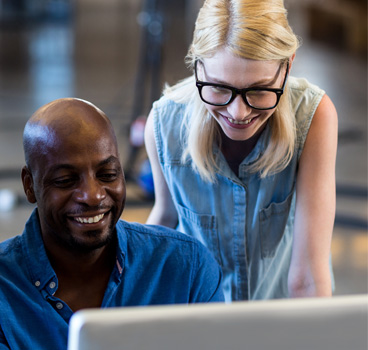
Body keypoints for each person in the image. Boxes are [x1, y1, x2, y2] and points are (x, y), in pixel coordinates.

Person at [0, 98, 224, 350]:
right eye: (66, 180)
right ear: (29, 186)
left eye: (107, 174)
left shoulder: (187, 267)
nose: (92, 196)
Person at [144, 0, 338, 301]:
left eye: (259, 90)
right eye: (219, 88)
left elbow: (307, 278)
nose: (238, 112)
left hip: (279, 321)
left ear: (288, 65)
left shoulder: (313, 117)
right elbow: (166, 216)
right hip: (197, 320)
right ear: (198, 67)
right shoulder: (165, 123)